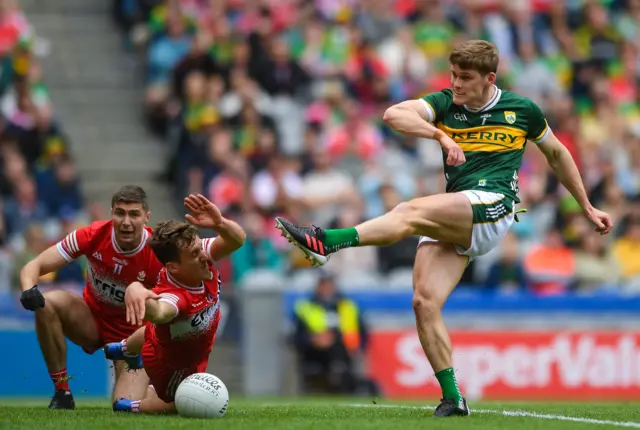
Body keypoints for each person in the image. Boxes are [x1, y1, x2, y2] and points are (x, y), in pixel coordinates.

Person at [275, 40, 613, 417]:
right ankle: (453, 398)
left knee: (409, 210)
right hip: (458, 212)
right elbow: (393, 115)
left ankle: (326, 242)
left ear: (490, 78)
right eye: (453, 75)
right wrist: (440, 134)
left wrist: (586, 205)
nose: (456, 83)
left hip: (494, 206)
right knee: (423, 302)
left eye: (465, 78)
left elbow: (557, 153)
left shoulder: (522, 110)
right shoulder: (445, 103)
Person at [19, 185, 164, 409]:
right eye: (120, 212)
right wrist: (28, 289)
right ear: (111, 213)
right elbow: (35, 264)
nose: (126, 221)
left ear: (146, 217)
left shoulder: (159, 253)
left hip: (132, 338)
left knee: (125, 407)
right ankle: (62, 392)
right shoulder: (93, 235)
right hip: (92, 319)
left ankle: (164, 391)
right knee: (47, 303)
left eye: (134, 214)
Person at [104, 194, 246, 414]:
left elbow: (237, 240)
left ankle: (122, 348)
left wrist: (220, 224)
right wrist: (136, 290)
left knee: (151, 332)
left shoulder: (194, 259)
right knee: (176, 406)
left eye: (200, 247)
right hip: (171, 364)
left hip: (166, 338)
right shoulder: (177, 297)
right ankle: (130, 406)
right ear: (173, 268)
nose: (204, 256)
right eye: (195, 253)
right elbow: (159, 313)